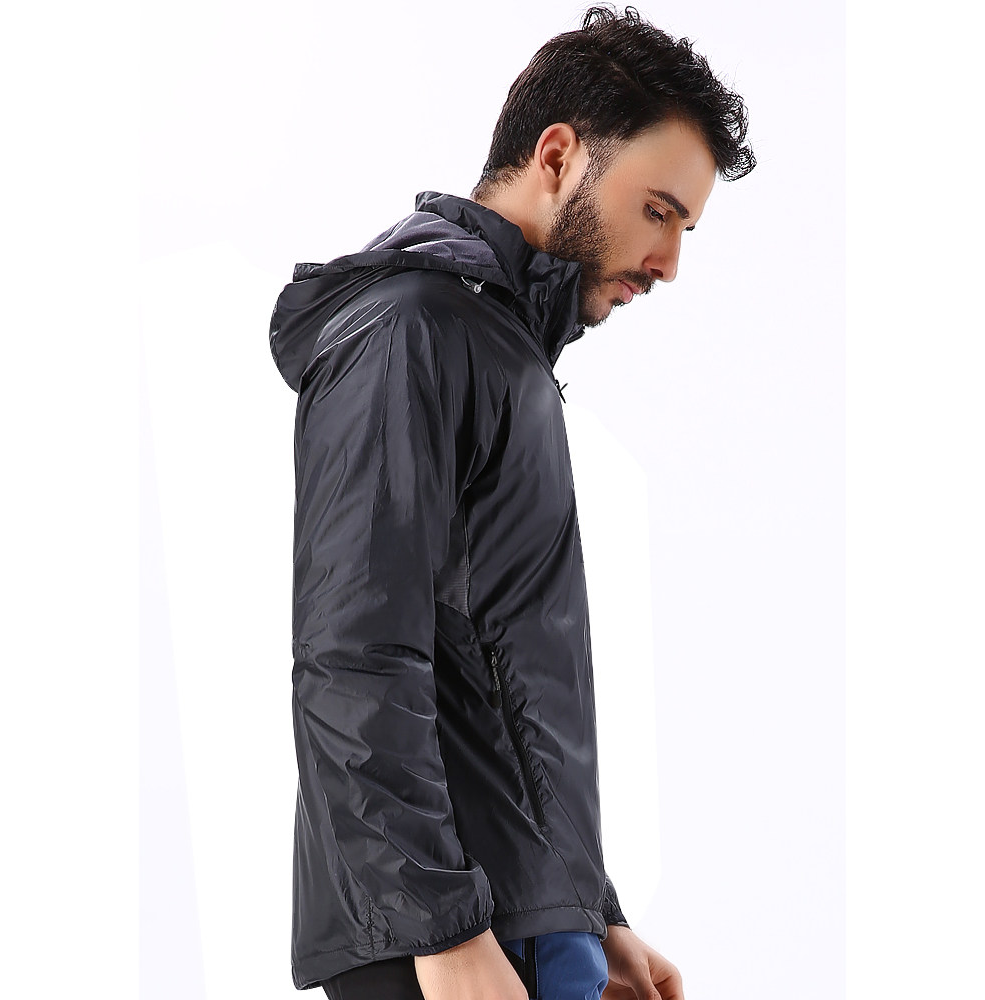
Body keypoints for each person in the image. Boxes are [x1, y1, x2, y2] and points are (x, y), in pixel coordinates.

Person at [268, 6, 754, 998]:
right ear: (558, 156)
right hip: (452, 940)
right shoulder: (408, 332)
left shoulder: (498, 348)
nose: (669, 263)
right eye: (658, 211)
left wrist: (590, 908)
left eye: (684, 228)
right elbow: (354, 656)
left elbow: (506, 673)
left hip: (523, 925)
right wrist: (443, 932)